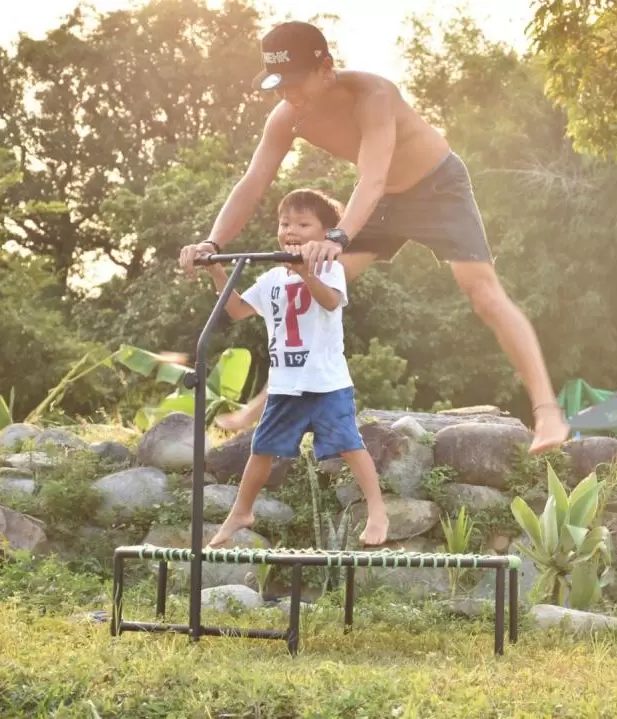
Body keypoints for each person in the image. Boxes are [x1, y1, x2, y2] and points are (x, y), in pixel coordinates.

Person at [178, 20, 570, 454]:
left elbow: (374, 175)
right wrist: (212, 243)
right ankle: (265, 404)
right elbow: (253, 183)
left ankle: (547, 413)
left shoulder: (374, 95)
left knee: (481, 293)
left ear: (326, 68)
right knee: (310, 290)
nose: (288, 95)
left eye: (295, 83)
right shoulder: (287, 117)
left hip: (437, 188)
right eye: (278, 86)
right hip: (380, 202)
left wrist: (340, 235)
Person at [201, 188, 389, 548]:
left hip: (325, 382)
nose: (292, 229)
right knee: (262, 449)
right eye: (285, 223)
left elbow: (331, 302)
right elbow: (238, 310)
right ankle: (241, 511)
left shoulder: (330, 267)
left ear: (326, 232)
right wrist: (218, 274)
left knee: (350, 444)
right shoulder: (272, 278)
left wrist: (305, 273)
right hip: (286, 385)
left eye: (304, 224)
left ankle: (377, 509)